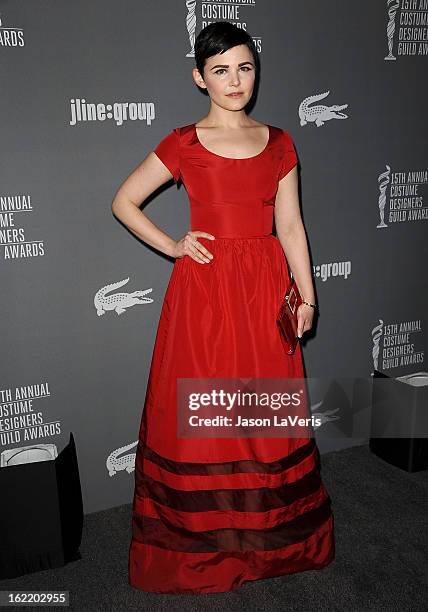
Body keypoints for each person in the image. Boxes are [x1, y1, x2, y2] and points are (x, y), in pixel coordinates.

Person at [111, 21, 335, 594]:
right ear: (199, 77)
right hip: (205, 295)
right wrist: (174, 244)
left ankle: (270, 545)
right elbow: (125, 202)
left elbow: (290, 224)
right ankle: (202, 554)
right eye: (220, 70)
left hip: (265, 291)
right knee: (204, 419)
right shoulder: (183, 142)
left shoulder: (282, 141)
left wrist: (306, 294)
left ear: (255, 72)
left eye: (244, 67)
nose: (235, 81)